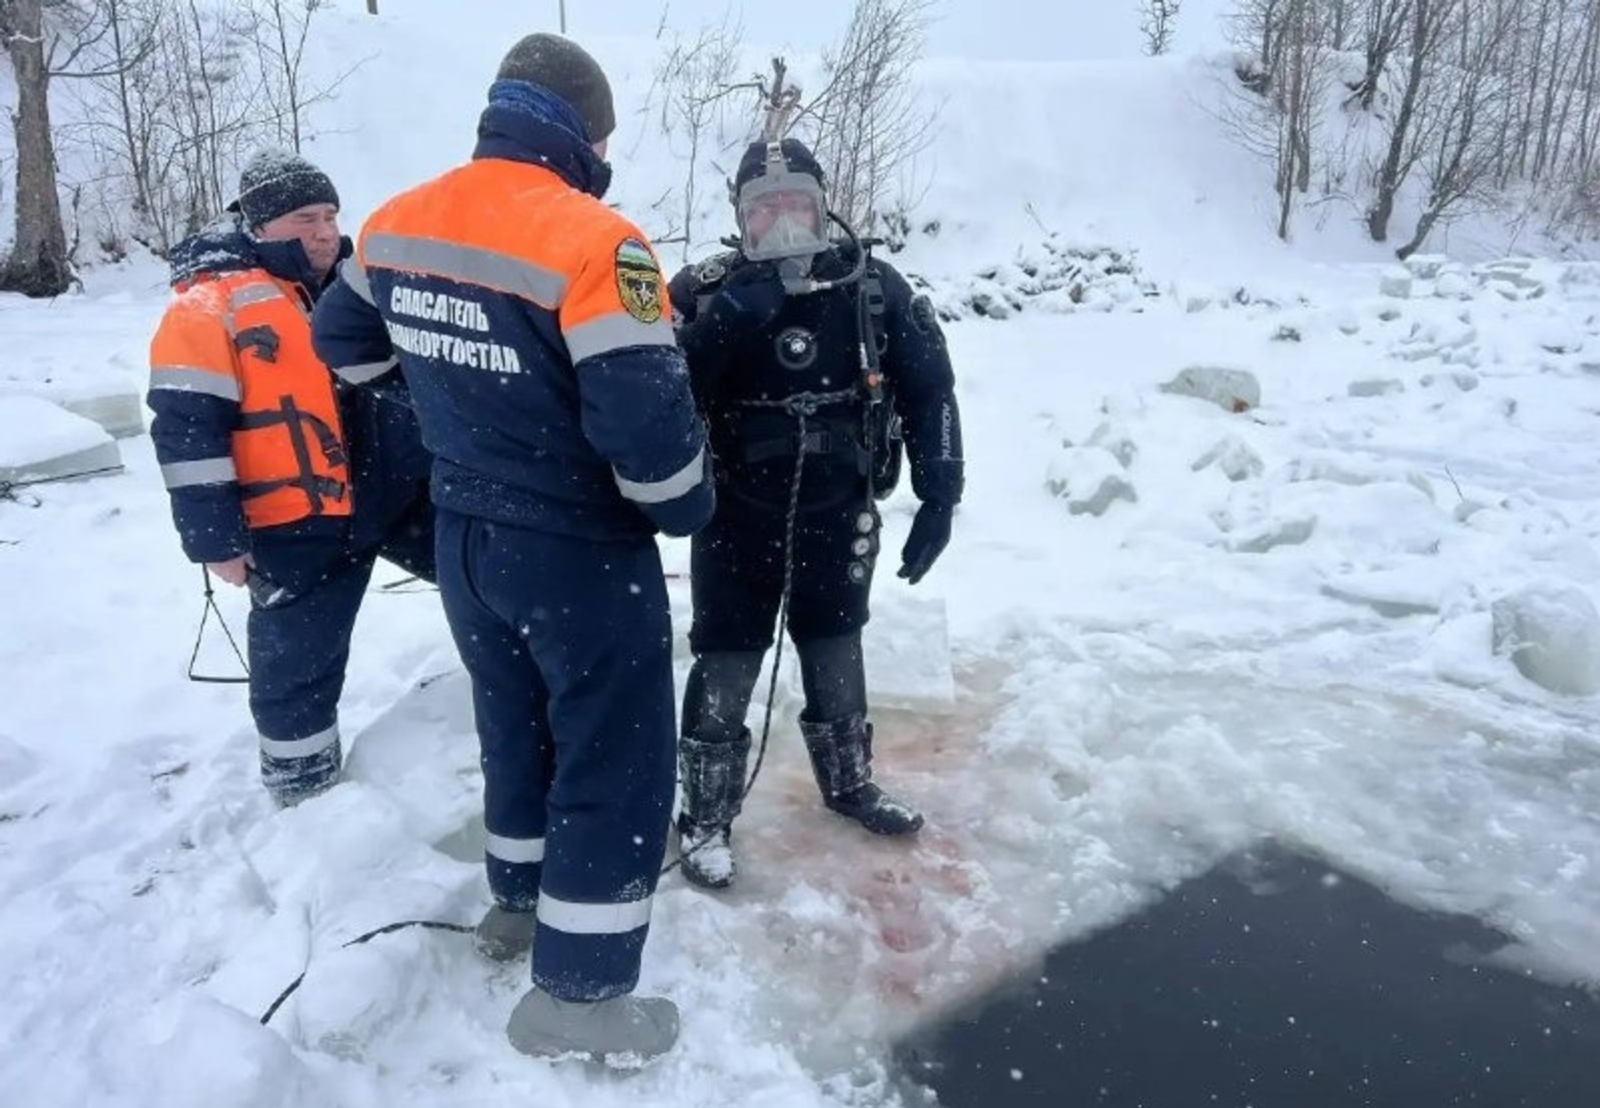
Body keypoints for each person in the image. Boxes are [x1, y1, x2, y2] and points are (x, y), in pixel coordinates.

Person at [310, 33, 713, 1065]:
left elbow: (339, 344)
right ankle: (578, 997)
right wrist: (690, 508)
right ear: (582, 128)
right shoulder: (600, 242)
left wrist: (449, 409)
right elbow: (651, 447)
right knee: (612, 750)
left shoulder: (399, 219)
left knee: (514, 724)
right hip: (576, 547)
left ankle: (521, 903)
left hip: (465, 541)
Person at [666, 137, 965, 892]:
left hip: (839, 508)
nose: (783, 222)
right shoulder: (704, 292)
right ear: (741, 218)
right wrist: (726, 323)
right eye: (763, 209)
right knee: (727, 657)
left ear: (823, 205)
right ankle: (704, 815)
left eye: (795, 204)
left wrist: (942, 492)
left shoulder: (872, 289)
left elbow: (932, 391)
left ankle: (849, 784)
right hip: (735, 513)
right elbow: (655, 396)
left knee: (835, 645)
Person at [148, 151, 435, 810]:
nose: (324, 231)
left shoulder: (360, 284)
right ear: (259, 224)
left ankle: (534, 711)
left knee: (499, 583)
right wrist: (215, 537)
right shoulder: (206, 305)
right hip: (293, 525)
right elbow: (186, 430)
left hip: (391, 499)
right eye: (305, 218)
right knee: (295, 670)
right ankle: (303, 795)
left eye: (330, 216)